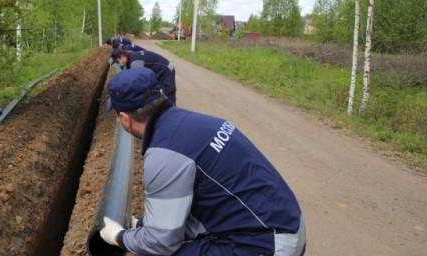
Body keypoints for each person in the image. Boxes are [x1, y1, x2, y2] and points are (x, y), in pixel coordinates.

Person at [99, 67, 306, 256]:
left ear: (125, 118)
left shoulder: (165, 153)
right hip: (287, 223)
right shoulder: (197, 122)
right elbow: (209, 202)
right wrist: (144, 226)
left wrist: (119, 237)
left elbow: (160, 244)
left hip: (268, 245)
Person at [111, 49, 176, 105]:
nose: (118, 63)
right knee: (158, 93)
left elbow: (138, 82)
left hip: (166, 70)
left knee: (168, 94)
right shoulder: (130, 56)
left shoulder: (135, 62)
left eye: (117, 61)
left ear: (122, 57)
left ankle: (173, 115)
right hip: (158, 72)